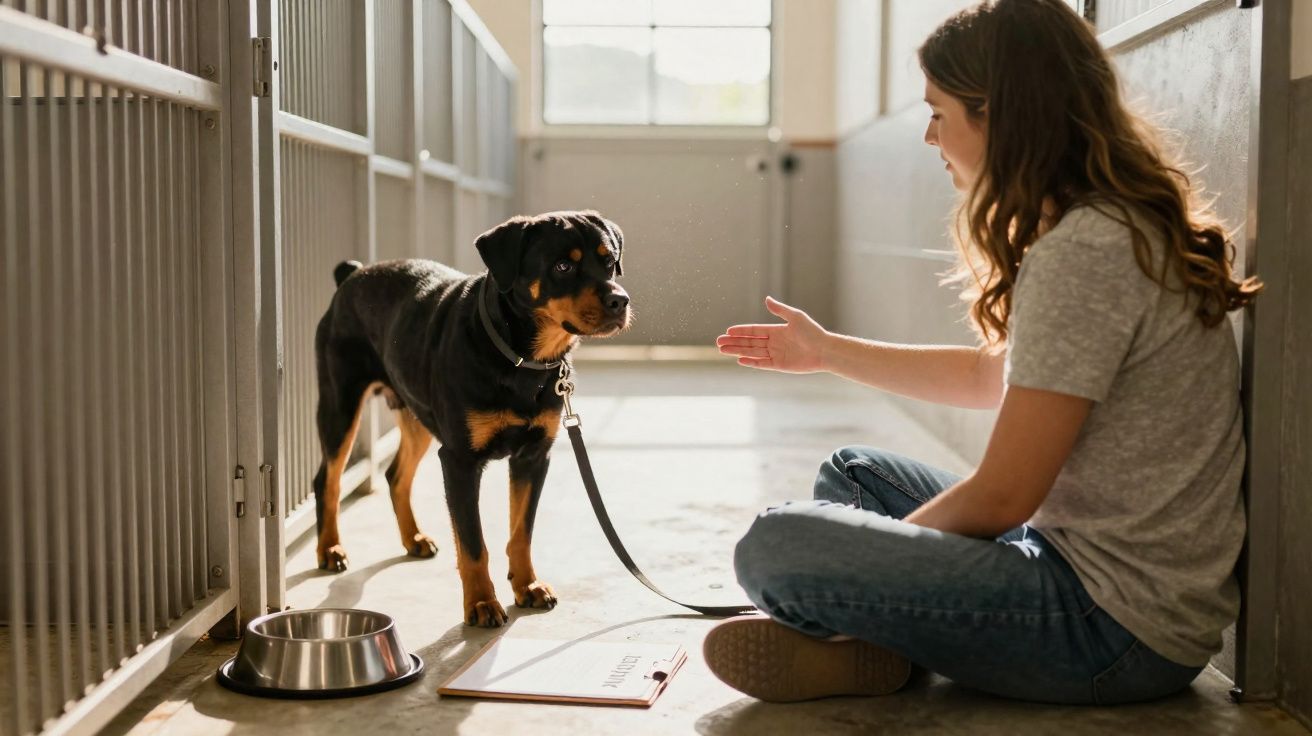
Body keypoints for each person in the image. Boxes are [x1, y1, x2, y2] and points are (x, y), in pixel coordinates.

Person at [705, 0, 1262, 706]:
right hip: (1074, 569)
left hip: (1111, 630)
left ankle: (874, 644)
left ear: (997, 114)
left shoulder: (1087, 253)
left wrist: (880, 569)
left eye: (940, 112)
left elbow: (1003, 496)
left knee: (777, 546)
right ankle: (880, 651)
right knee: (854, 474)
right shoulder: (1106, 228)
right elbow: (988, 376)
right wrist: (826, 350)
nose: (931, 136)